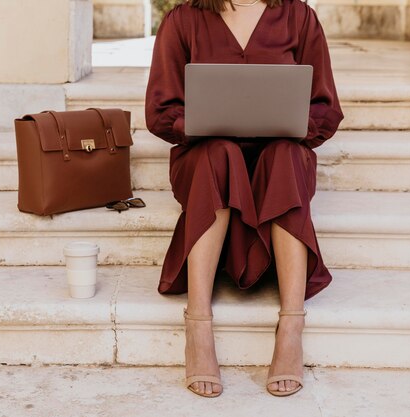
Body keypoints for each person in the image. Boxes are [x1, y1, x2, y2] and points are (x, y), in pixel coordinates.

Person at [144, 0, 344, 398]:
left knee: (286, 156)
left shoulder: (299, 17)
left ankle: (291, 325)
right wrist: (202, 121)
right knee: (219, 152)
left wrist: (287, 120)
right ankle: (197, 324)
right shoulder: (183, 21)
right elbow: (160, 109)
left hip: (280, 152)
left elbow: (325, 107)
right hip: (206, 155)